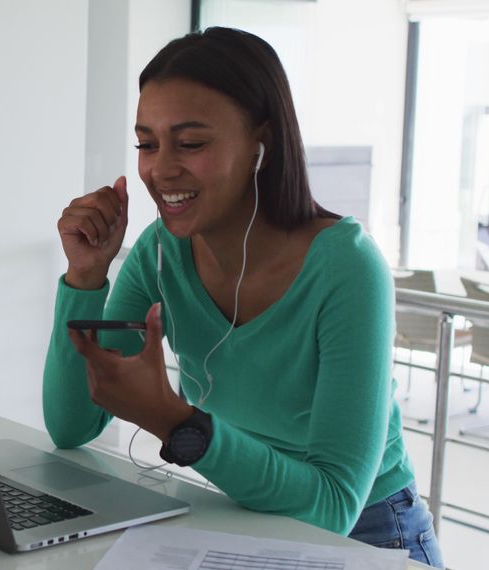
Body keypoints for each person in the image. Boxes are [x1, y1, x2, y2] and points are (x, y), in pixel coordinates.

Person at [44, 27, 444, 568]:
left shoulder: (347, 268)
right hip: (242, 513)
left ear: (264, 141)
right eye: (146, 143)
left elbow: (333, 506)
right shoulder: (160, 254)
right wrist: (85, 277)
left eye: (190, 143)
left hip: (370, 533)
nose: (160, 168)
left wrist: (180, 425)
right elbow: (71, 427)